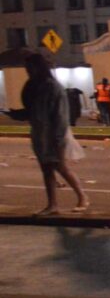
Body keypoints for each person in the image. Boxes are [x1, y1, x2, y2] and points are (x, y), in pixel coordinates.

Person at [7, 53, 89, 215]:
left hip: (54, 134)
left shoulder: (51, 87)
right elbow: (34, 111)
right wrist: (17, 114)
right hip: (40, 133)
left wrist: (58, 139)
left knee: (60, 167)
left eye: (30, 68)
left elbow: (60, 116)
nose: (28, 71)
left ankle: (82, 197)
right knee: (47, 169)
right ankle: (53, 204)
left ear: (38, 67)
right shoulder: (35, 86)